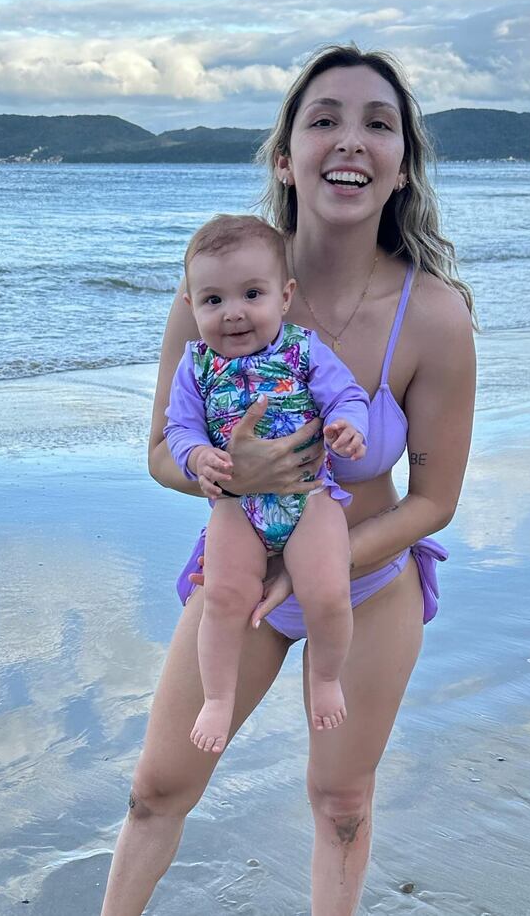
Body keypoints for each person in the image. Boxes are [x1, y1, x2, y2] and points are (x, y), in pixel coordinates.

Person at [100, 43, 476, 916]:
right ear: (286, 156)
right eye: (324, 120)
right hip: (239, 574)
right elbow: (162, 449)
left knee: (341, 802)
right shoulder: (217, 293)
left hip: (371, 577)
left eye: (378, 124)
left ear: (403, 166)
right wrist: (224, 471)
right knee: (157, 787)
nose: (351, 140)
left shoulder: (434, 315)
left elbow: (435, 498)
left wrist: (315, 565)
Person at [163, 213, 369, 753]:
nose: (233, 313)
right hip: (239, 507)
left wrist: (350, 426)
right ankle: (217, 697)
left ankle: (324, 678)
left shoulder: (303, 351)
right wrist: (198, 456)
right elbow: (178, 427)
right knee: (223, 599)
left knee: (327, 593)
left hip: (311, 498)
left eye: (251, 294)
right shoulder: (197, 365)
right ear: (190, 306)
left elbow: (344, 394)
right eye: (212, 301)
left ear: (285, 296)